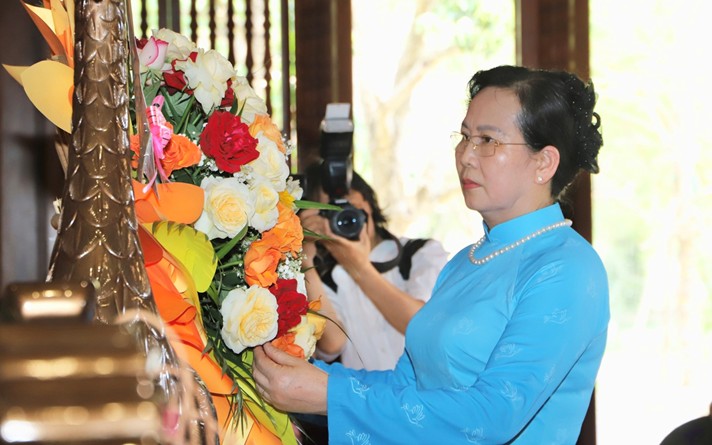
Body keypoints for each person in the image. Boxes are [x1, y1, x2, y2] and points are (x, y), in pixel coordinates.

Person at [253, 65, 610, 444]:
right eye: (465, 136)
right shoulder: (466, 262)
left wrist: (329, 395)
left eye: (488, 140)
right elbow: (407, 389)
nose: (466, 155)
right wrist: (302, 377)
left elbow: (492, 417)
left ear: (544, 163)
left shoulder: (567, 268)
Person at [299, 163, 449, 371]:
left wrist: (358, 267)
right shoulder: (324, 276)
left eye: (348, 206)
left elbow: (420, 324)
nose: (342, 217)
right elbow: (332, 345)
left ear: (368, 202)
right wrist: (306, 260)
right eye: (330, 212)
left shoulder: (420, 253)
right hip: (363, 391)